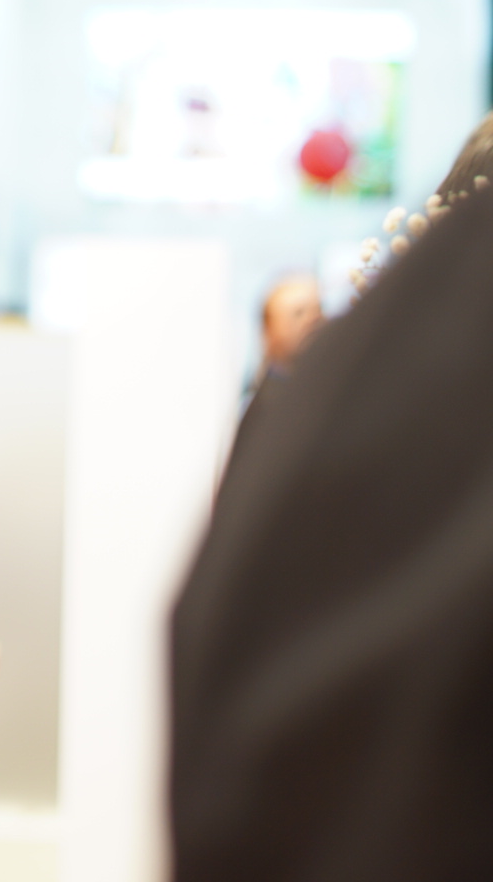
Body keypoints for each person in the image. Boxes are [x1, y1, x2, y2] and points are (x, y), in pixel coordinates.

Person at [170, 177, 493, 879]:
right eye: (297, 311)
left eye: (316, 307)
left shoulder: (351, 399)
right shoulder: (298, 425)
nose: (314, 320)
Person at [252, 273, 323, 389]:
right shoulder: (266, 397)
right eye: (299, 313)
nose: (312, 319)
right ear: (270, 329)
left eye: (318, 310)